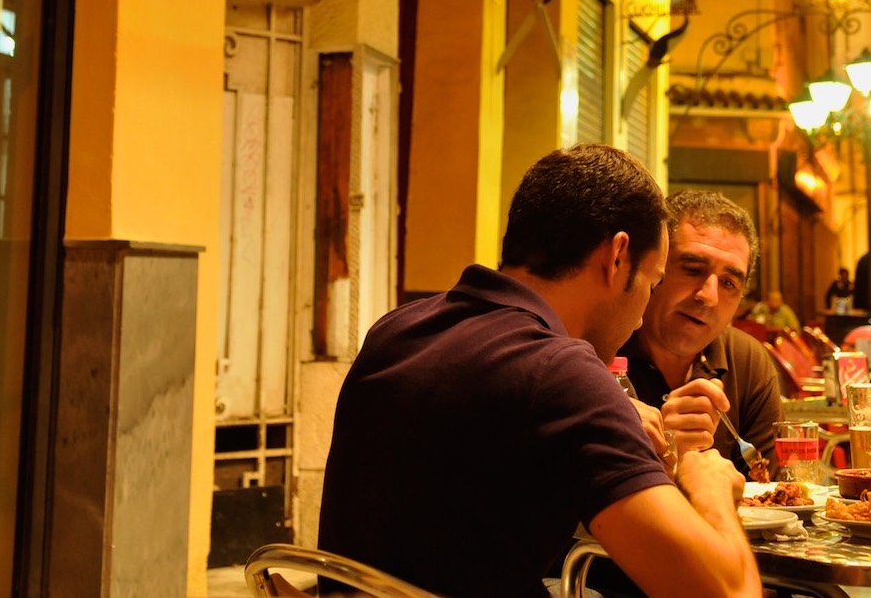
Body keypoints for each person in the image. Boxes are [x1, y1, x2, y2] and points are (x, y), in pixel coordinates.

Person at [318, 146, 761, 598]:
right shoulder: (563, 373)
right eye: (651, 282)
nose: (640, 313)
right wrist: (706, 485)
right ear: (617, 257)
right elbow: (727, 593)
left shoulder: (397, 329)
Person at [619, 190, 784, 478]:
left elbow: (771, 493)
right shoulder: (603, 351)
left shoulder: (746, 361)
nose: (708, 295)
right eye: (693, 269)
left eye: (729, 283)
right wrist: (663, 454)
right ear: (655, 268)